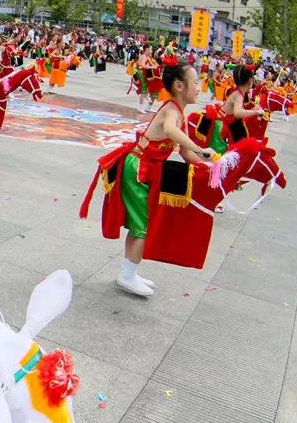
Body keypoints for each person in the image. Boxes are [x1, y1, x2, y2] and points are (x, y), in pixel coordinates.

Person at [89, 62, 216, 297]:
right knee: (143, 225)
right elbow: (170, 131)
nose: (200, 87)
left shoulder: (180, 114)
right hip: (138, 167)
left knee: (140, 224)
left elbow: (186, 153)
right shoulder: (171, 111)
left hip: (145, 168)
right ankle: (127, 275)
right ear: (179, 85)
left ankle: (129, 272)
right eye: (196, 82)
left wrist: (211, 170)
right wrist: (200, 148)